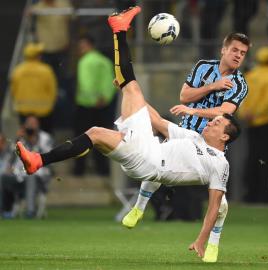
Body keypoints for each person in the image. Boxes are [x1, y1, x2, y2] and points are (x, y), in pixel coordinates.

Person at [15, 6, 240, 261]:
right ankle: (37, 161)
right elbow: (155, 120)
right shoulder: (193, 138)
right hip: (143, 152)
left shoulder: (219, 163)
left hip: (147, 160)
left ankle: (120, 30)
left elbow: (214, 207)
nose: (210, 124)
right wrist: (127, 90)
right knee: (98, 129)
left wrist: (202, 240)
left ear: (225, 137)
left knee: (126, 93)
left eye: (217, 125)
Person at [136, 31, 250, 262]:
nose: (239, 56)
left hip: (211, 143)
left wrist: (194, 110)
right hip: (187, 133)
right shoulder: (203, 67)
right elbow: (184, 95)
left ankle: (212, 244)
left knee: (221, 204)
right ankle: (139, 207)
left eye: (243, 53)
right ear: (223, 49)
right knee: (157, 160)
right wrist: (212, 87)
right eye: (235, 50)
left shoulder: (240, 84)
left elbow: (225, 113)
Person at [238, 46, 268, 203]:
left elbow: (241, 98)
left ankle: (250, 193)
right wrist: (256, 114)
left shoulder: (250, 76)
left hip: (250, 124)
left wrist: (246, 114)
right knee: (267, 160)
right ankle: (265, 195)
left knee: (252, 157)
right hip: (266, 124)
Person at [73, 35, 116, 176]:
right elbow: (111, 83)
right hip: (103, 107)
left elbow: (85, 84)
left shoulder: (84, 62)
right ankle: (103, 170)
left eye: (82, 46)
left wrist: (92, 100)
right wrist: (104, 98)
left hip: (86, 107)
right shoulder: (104, 61)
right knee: (102, 141)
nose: (80, 49)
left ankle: (79, 170)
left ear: (89, 46)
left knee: (82, 139)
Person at [10, 42, 57, 133]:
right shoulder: (46, 70)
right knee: (44, 136)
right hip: (44, 112)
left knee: (25, 136)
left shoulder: (18, 70)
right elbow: (52, 90)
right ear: (38, 56)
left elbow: (13, 90)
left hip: (23, 110)